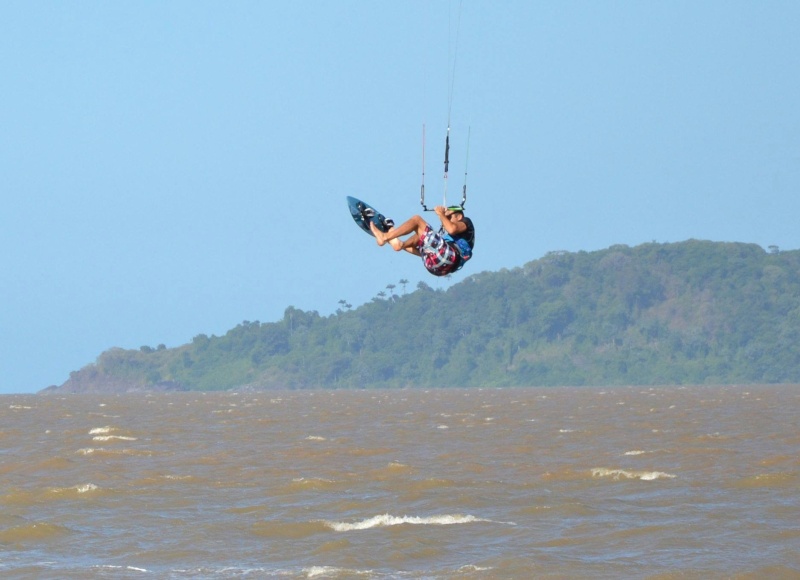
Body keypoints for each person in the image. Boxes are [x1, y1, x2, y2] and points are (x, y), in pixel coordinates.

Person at [370, 205, 475, 276]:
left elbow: (452, 229)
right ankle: (400, 245)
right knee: (422, 234)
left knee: (417, 220)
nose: (446, 220)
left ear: (459, 216)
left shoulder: (466, 222)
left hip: (449, 258)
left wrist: (441, 214)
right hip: (437, 268)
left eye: (449, 217)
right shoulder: (448, 242)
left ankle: (385, 237)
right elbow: (426, 252)